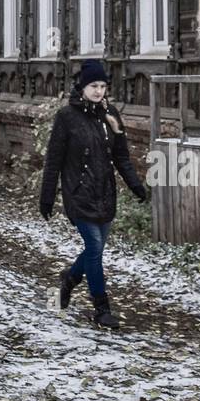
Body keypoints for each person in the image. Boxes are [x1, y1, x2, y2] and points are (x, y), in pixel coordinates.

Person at [39, 59, 148, 329]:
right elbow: (54, 159)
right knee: (95, 249)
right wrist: (47, 197)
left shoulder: (110, 114)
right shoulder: (67, 117)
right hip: (79, 194)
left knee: (93, 250)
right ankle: (102, 309)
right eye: (93, 86)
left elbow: (121, 156)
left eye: (102, 86)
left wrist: (135, 185)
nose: (99, 91)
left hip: (105, 193)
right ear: (83, 87)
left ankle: (69, 279)